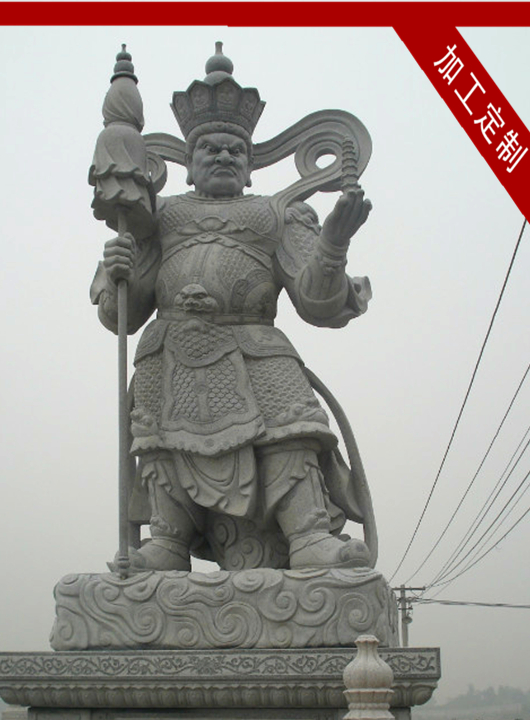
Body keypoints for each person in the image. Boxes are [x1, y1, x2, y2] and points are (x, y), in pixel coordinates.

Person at [90, 47, 373, 573]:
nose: (223, 156)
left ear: (248, 166)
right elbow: (120, 316)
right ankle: (167, 540)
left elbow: (317, 303)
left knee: (292, 427)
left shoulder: (278, 214)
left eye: (234, 151)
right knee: (159, 437)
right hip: (171, 348)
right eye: (210, 149)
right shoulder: (158, 216)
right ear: (188, 164)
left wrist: (333, 242)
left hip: (257, 344)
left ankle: (309, 533)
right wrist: (120, 272)